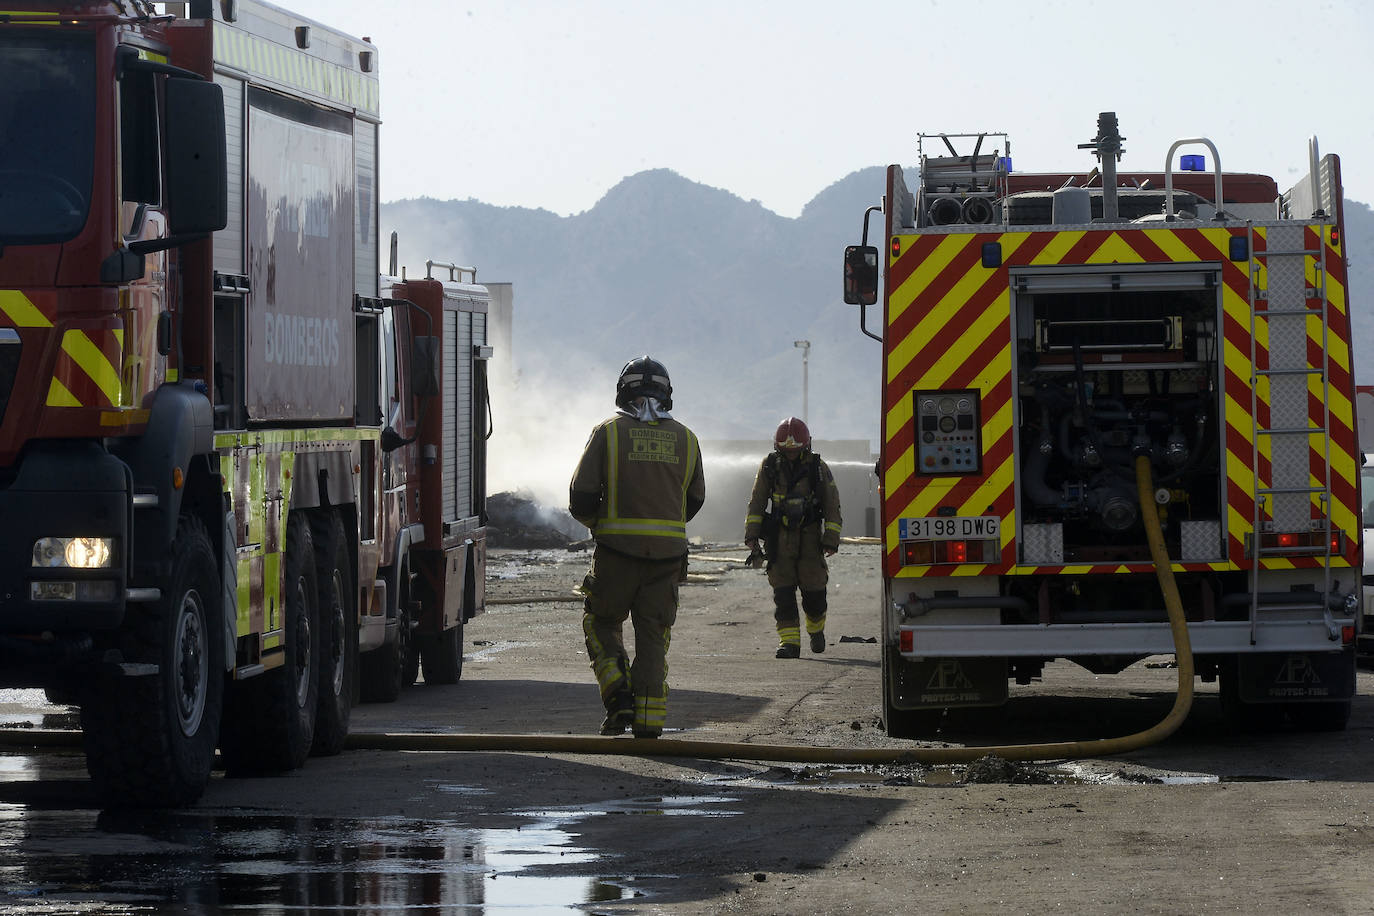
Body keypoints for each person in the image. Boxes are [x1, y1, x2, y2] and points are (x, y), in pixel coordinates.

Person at [569, 357, 705, 738]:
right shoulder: (687, 438)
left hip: (615, 555)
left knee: (600, 621)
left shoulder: (607, 433)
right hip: (668, 559)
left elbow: (580, 496)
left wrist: (600, 523)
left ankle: (618, 698)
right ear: (667, 394)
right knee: (654, 636)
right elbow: (694, 499)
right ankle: (649, 722)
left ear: (623, 390)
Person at [744, 417, 842, 658]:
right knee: (783, 592)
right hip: (779, 539)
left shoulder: (817, 467)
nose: (790, 455)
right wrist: (752, 536)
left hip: (809, 538)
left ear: (805, 446)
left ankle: (816, 630)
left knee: (815, 592)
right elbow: (756, 502)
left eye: (794, 450)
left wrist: (831, 538)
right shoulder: (769, 466)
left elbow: (832, 504)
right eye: (786, 451)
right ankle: (789, 643)